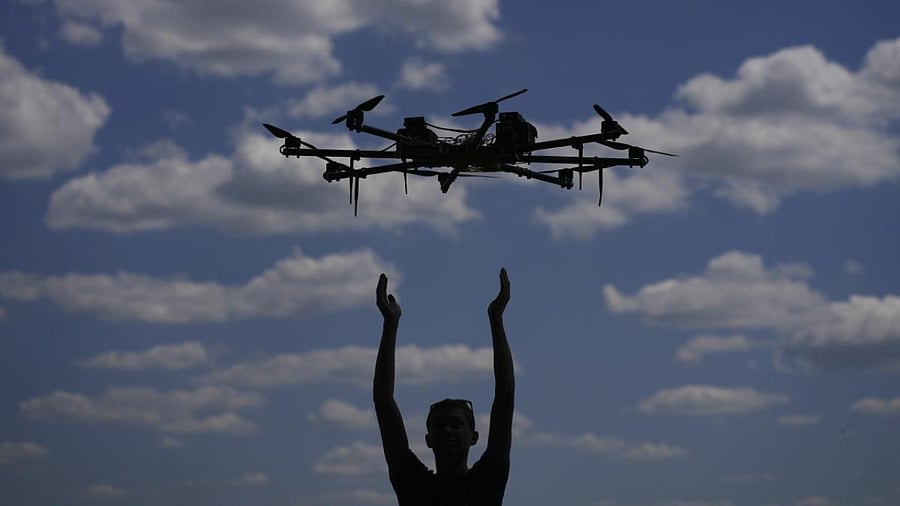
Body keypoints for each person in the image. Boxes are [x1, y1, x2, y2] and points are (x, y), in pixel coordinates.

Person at [374, 269, 515, 506]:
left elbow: (505, 396)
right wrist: (390, 325)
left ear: (474, 437)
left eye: (456, 424)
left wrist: (496, 319)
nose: (448, 430)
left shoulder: (488, 480)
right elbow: (383, 401)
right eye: (440, 426)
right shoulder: (413, 484)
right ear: (428, 439)